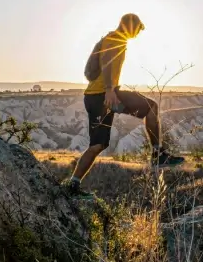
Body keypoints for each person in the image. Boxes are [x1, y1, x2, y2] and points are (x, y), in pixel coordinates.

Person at [64, 13, 184, 198]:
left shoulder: (114, 39)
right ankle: (158, 155)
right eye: (137, 29)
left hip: (100, 96)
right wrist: (110, 90)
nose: (137, 34)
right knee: (151, 107)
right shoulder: (114, 39)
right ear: (130, 26)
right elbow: (106, 62)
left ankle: (73, 185)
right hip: (102, 96)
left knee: (98, 145)